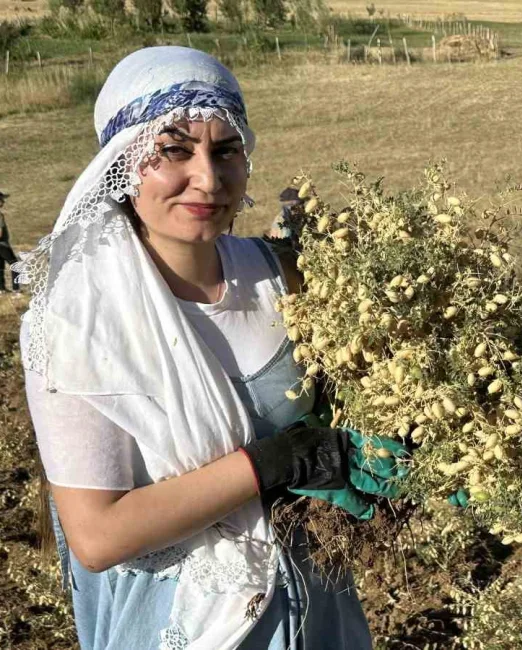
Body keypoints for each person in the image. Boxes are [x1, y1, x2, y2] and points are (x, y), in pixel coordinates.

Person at [16, 47, 378, 649]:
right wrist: (275, 462)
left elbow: (355, 407)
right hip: (185, 622)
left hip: (316, 607)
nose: (207, 179)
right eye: (174, 150)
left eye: (226, 150)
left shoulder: (282, 277)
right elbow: (98, 536)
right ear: (123, 163)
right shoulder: (78, 322)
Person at [0, 190, 17, 292]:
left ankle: (1, 289)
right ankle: (16, 290)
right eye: (1, 199)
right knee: (15, 265)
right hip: (2, 245)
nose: (3, 202)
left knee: (0, 267)